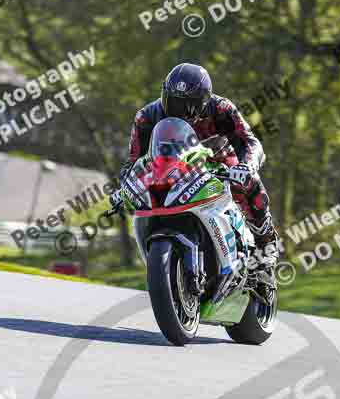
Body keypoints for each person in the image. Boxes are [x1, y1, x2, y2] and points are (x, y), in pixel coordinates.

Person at [117, 63, 279, 288]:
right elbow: (134, 160)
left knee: (250, 184)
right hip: (174, 171)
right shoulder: (147, 116)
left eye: (188, 105)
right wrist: (124, 186)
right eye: (172, 101)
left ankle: (265, 248)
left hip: (220, 164)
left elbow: (249, 141)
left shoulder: (221, 109)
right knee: (147, 198)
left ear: (205, 100)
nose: (179, 110)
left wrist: (247, 167)